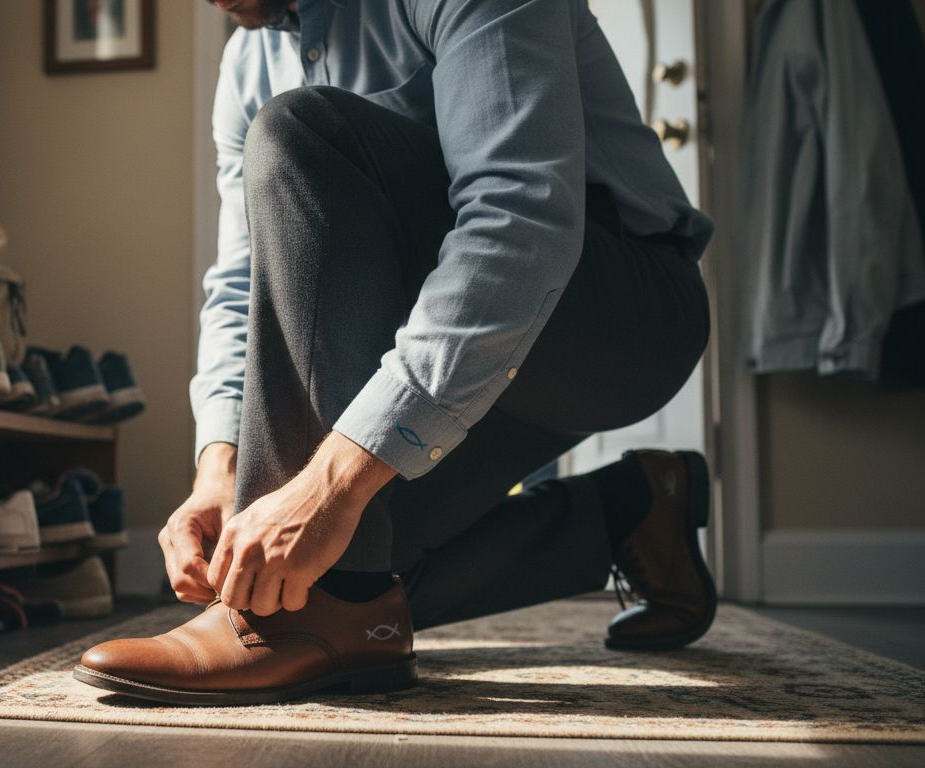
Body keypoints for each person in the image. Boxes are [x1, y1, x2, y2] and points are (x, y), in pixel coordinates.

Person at [74, 0, 716, 706]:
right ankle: (633, 506)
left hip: (619, 318)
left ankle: (311, 612)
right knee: (344, 573)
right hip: (447, 358)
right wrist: (219, 470)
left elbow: (520, 220)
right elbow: (242, 281)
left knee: (302, 129)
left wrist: (330, 488)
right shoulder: (246, 61)